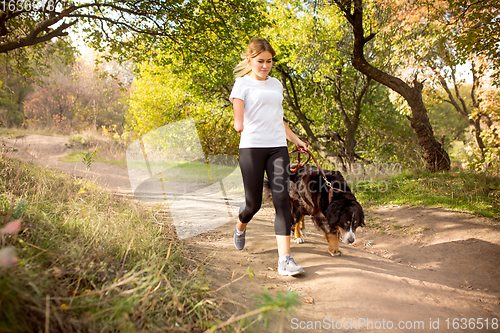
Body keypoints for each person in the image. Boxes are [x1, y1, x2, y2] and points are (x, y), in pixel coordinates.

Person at [229, 38, 309, 276]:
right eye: (260, 61)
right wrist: (238, 123)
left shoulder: (276, 85)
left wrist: (295, 139)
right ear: (250, 60)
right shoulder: (241, 84)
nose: (265, 66)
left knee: (282, 200)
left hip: (277, 148)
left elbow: (278, 117)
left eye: (269, 61)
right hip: (252, 148)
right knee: (252, 204)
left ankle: (285, 260)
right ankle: (241, 226)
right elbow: (238, 118)